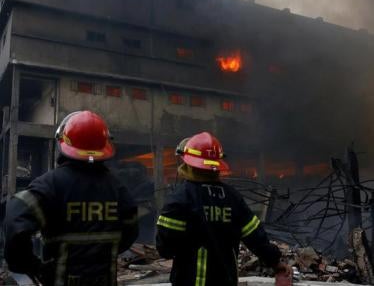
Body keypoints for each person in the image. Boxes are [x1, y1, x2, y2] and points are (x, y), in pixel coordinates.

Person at [4, 110, 138, 286]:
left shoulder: (51, 185)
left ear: (63, 142)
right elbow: (130, 232)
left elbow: (15, 221)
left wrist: (32, 266)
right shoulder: (118, 189)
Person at [156, 132, 290, 286]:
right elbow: (255, 238)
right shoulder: (233, 197)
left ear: (188, 163)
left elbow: (164, 248)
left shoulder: (181, 198)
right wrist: (275, 262)